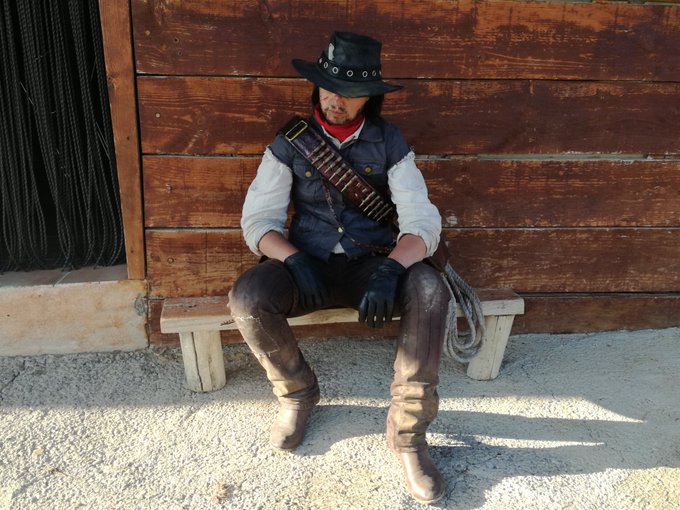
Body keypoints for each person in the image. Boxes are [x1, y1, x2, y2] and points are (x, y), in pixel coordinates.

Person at [228, 31, 450, 504]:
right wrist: (292, 258)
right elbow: (258, 222)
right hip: (306, 267)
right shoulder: (291, 142)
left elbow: (421, 222)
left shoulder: (389, 141)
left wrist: (392, 269)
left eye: (350, 92)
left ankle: (408, 434)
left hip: (372, 267)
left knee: (430, 290)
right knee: (248, 297)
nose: (336, 100)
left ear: (369, 96)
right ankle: (297, 395)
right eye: (329, 87)